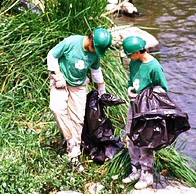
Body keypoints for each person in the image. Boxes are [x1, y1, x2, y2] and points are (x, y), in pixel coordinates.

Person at [46, 28, 112, 169]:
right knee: (57, 108)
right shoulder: (71, 42)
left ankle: (74, 153)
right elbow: (52, 55)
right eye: (95, 48)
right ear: (90, 39)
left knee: (78, 118)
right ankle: (69, 139)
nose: (95, 52)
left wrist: (102, 91)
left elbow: (96, 71)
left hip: (79, 85)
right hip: (60, 81)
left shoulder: (95, 54)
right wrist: (58, 74)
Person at [121, 35, 169, 189]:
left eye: (130, 54)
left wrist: (145, 96)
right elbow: (131, 81)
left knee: (145, 139)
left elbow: (163, 89)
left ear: (138, 51)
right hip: (133, 105)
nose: (128, 57)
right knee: (130, 135)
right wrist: (130, 90)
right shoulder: (134, 63)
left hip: (147, 110)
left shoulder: (154, 67)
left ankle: (146, 174)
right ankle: (135, 168)